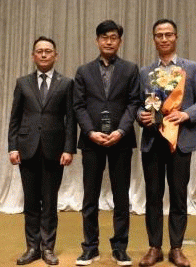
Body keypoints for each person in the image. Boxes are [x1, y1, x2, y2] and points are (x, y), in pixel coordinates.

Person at [137, 19, 196, 267]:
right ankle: (154, 247)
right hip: (153, 140)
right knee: (153, 196)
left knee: (178, 195)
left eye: (168, 34)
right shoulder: (145, 72)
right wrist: (141, 115)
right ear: (154, 39)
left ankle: (176, 248)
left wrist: (186, 114)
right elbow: (137, 104)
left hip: (181, 140)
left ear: (176, 37)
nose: (164, 39)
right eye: (159, 35)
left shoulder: (192, 68)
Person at [74, 20, 141, 266]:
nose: (109, 42)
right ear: (97, 41)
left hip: (120, 141)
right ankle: (90, 247)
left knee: (121, 196)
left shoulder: (130, 69)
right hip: (91, 141)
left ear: (120, 41)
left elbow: (134, 102)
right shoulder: (83, 71)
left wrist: (121, 131)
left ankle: (120, 247)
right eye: (104, 37)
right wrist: (90, 132)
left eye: (113, 37)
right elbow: (78, 105)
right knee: (90, 196)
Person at [8, 36, 77, 266]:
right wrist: (12, 147)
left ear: (56, 55)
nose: (44, 54)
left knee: (49, 201)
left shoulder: (66, 83)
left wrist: (69, 149)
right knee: (30, 202)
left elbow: (70, 119)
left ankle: (48, 248)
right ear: (33, 56)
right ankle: (32, 247)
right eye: (40, 51)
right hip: (27, 149)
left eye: (48, 51)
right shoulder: (22, 83)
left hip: (54, 151)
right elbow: (15, 118)